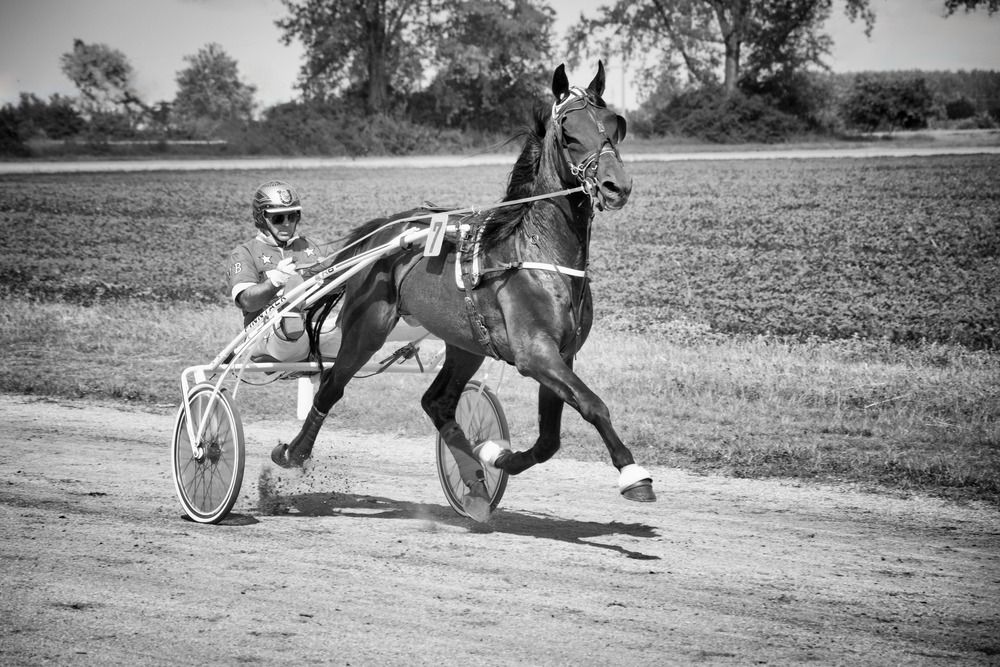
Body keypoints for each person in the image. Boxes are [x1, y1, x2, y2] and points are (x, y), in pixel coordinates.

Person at [225, 180, 340, 363]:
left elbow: (350, 273)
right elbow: (247, 302)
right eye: (278, 218)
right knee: (291, 324)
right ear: (261, 218)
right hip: (265, 335)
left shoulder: (315, 247)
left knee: (361, 320)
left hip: (316, 331)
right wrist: (275, 282)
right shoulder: (245, 253)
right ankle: (292, 317)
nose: (287, 223)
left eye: (293, 216)